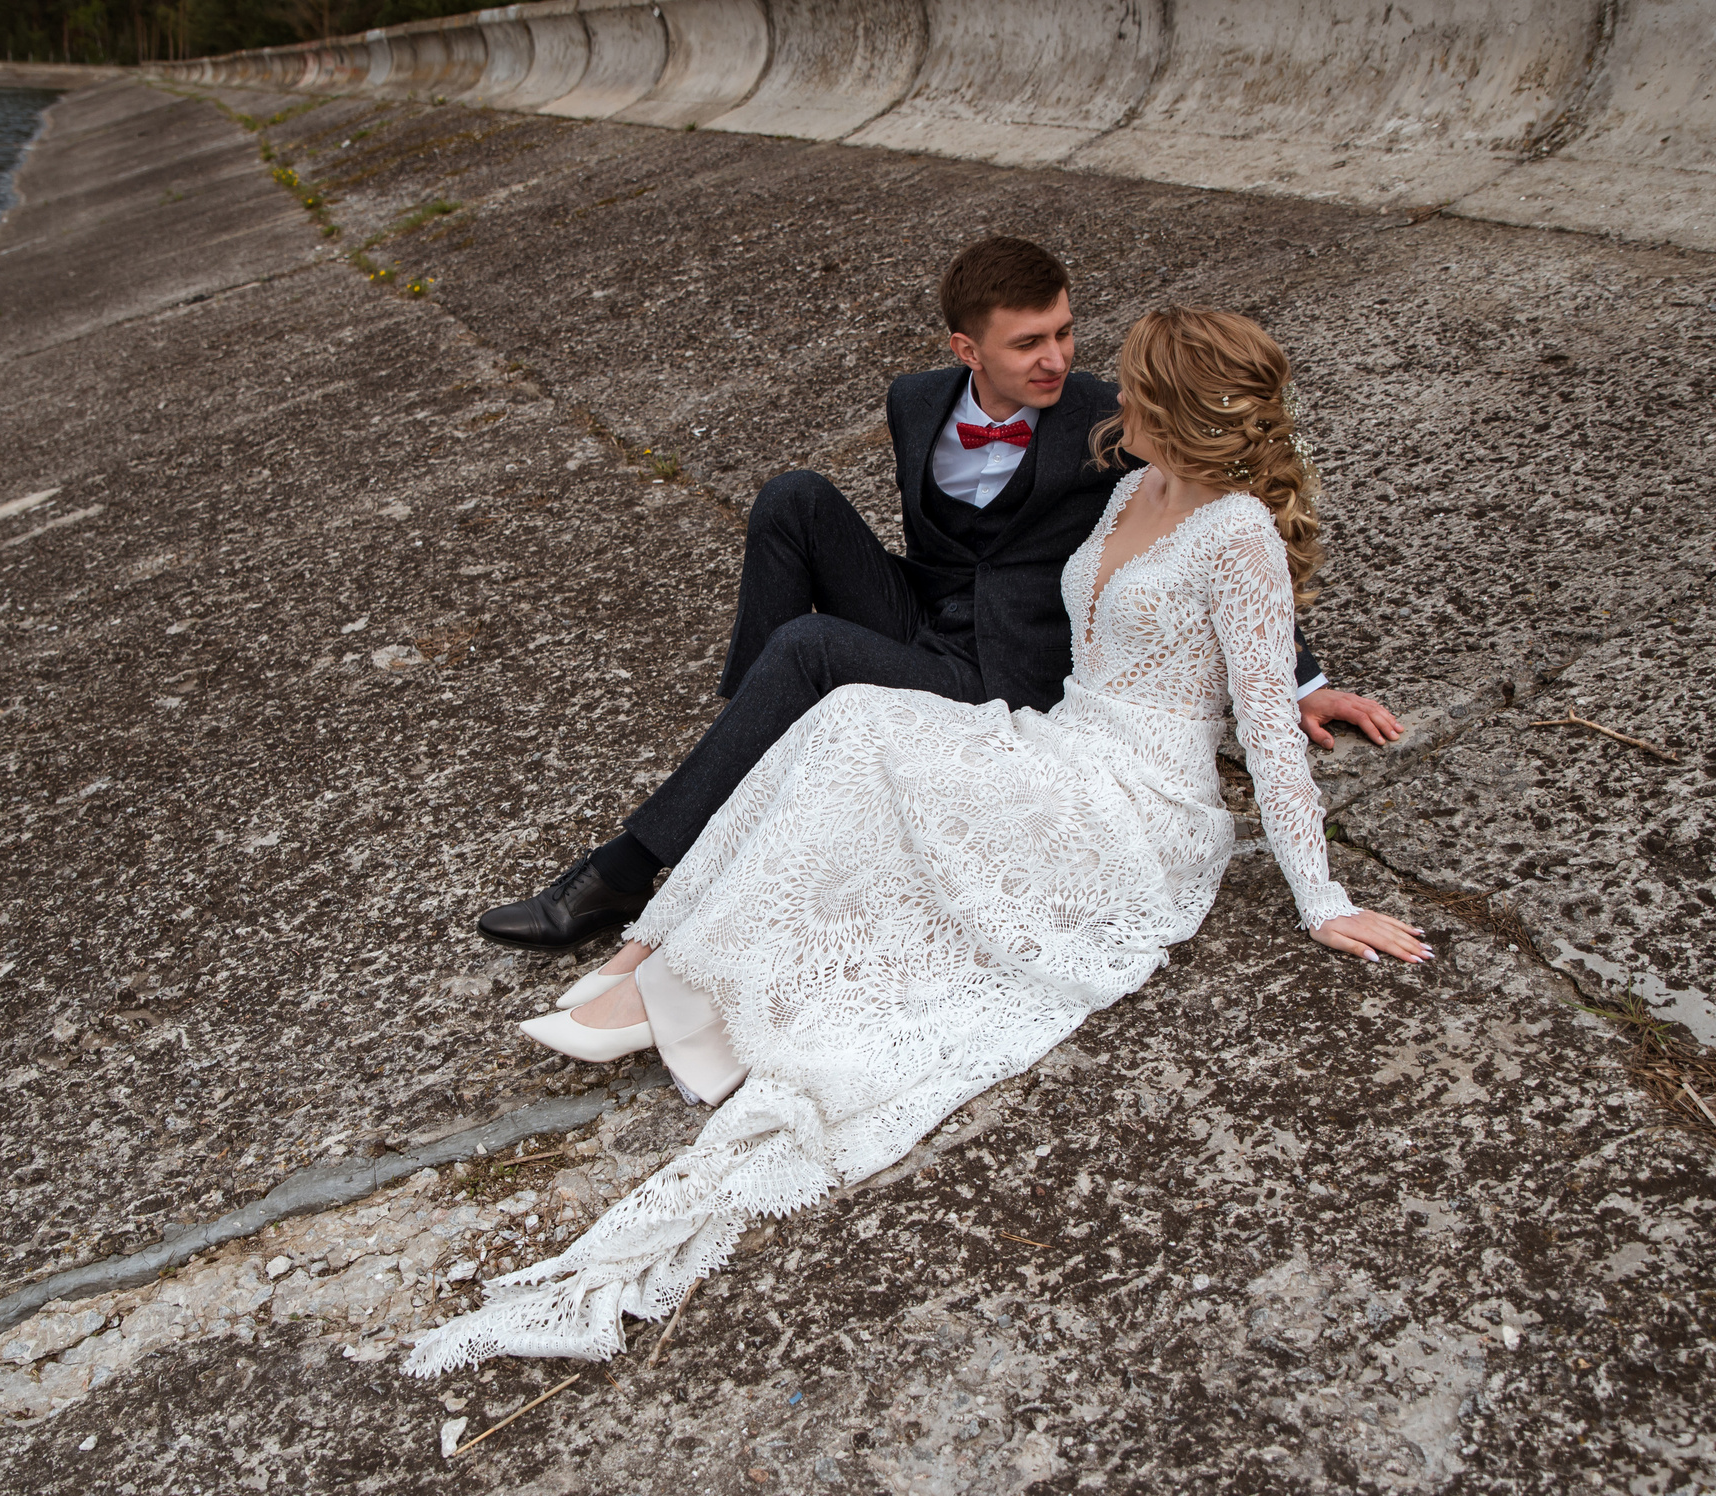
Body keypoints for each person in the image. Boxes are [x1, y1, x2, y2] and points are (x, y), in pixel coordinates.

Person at [403, 305, 1427, 1376]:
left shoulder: (1237, 533)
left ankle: (670, 992)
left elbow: (1263, 723)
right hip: (1060, 738)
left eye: (1131, 387)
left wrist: (1321, 897)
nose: (1105, 396)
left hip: (1136, 808)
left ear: (1180, 411)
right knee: (852, 719)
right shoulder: (1132, 484)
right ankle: (668, 967)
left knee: (873, 746)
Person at [475, 238, 1401, 962]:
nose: (1056, 360)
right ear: (967, 350)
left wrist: (1301, 676)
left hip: (1009, 664)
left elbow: (1213, 526)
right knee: (795, 497)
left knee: (807, 650)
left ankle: (623, 874)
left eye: (1065, 334)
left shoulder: (1105, 420)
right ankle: (749, 739)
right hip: (924, 611)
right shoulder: (914, 402)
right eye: (1027, 343)